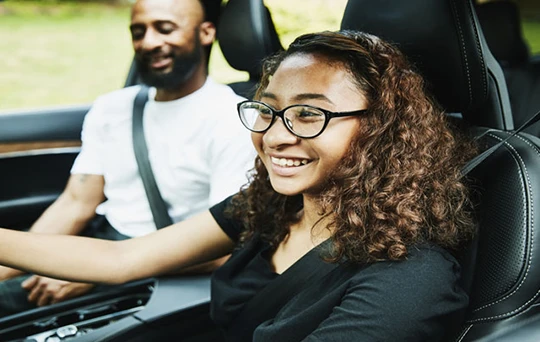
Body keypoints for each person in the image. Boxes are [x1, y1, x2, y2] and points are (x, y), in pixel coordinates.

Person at [0, 30, 477, 340]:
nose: (274, 135)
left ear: (379, 128)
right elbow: (125, 258)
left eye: (309, 113)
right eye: (266, 109)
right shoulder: (272, 205)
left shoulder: (409, 279)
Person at [0, 0, 254, 317]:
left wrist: (92, 274)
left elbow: (224, 248)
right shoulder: (112, 108)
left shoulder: (233, 122)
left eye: (165, 29)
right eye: (138, 31)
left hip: (164, 264)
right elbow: (76, 203)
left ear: (206, 32)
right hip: (102, 244)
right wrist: (9, 267)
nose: (148, 42)